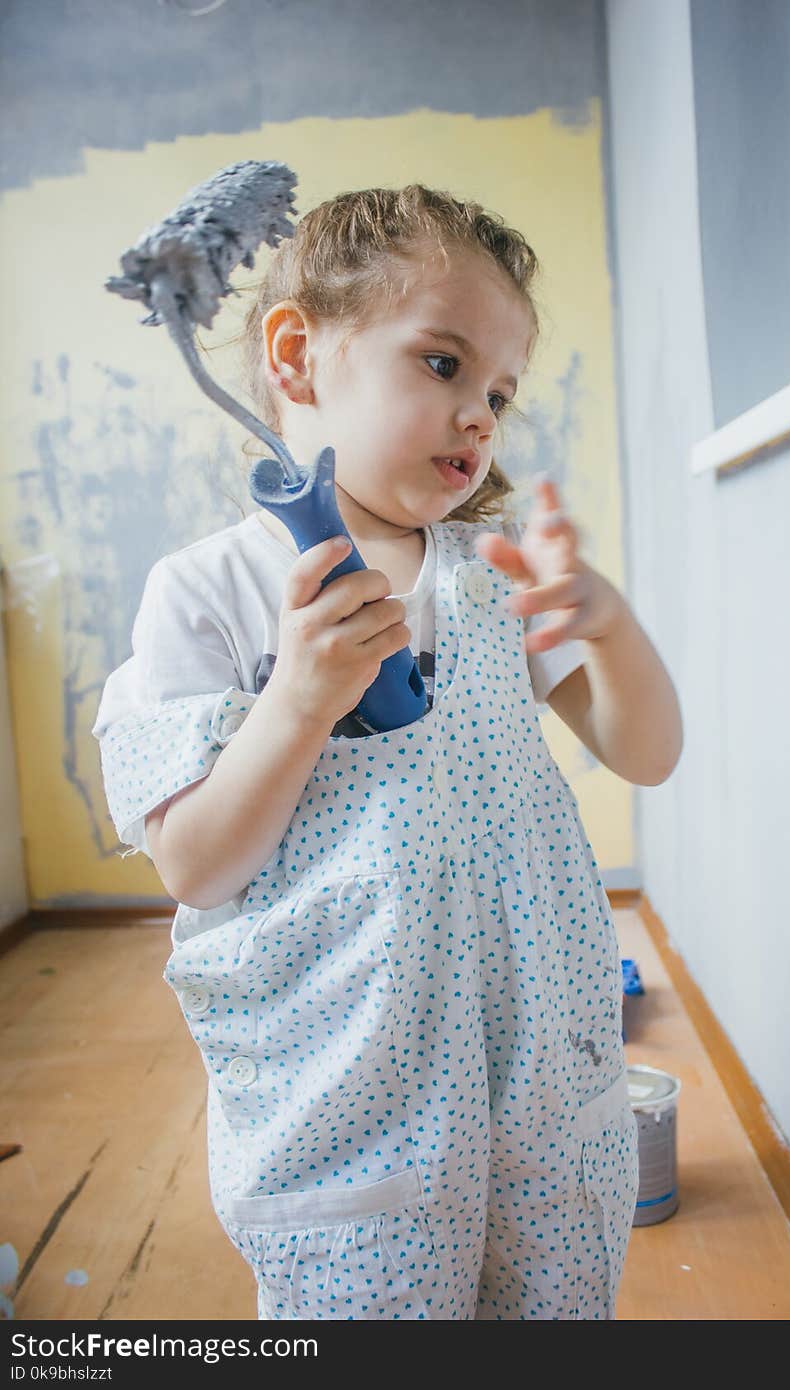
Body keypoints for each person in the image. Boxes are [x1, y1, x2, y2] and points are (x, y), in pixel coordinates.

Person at [92, 182, 683, 1320]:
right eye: (444, 364)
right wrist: (299, 701)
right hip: (355, 1103)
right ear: (296, 354)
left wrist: (606, 622)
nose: (481, 415)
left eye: (500, 391)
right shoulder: (211, 593)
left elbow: (645, 752)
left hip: (538, 1076)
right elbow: (196, 867)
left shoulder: (491, 574)